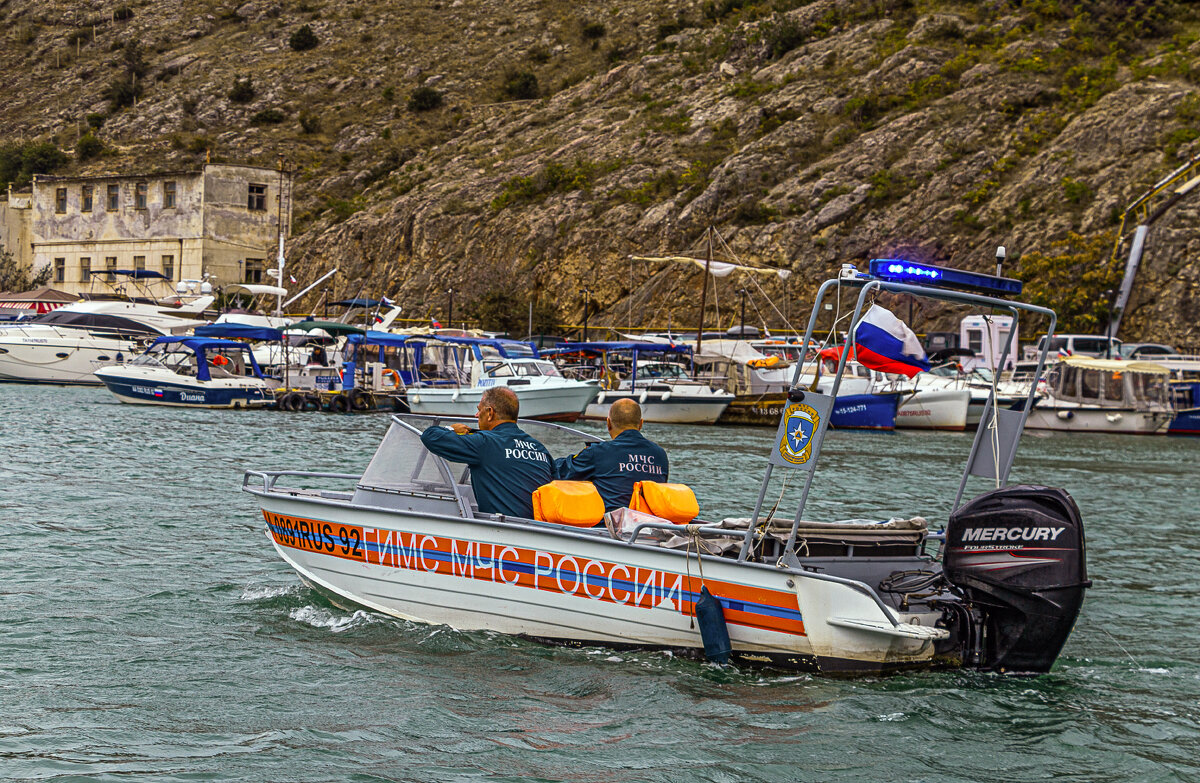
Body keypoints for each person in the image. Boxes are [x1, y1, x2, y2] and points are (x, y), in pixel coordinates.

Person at [419, 386, 553, 519]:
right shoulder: (539, 448)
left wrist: (450, 429)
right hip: (540, 529)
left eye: (479, 410)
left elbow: (430, 437)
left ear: (490, 413)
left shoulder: (485, 442)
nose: (476, 415)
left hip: (503, 532)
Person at [554, 398, 669, 512]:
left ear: (608, 423)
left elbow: (561, 471)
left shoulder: (598, 452)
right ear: (641, 424)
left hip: (608, 527)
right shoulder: (660, 455)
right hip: (649, 526)